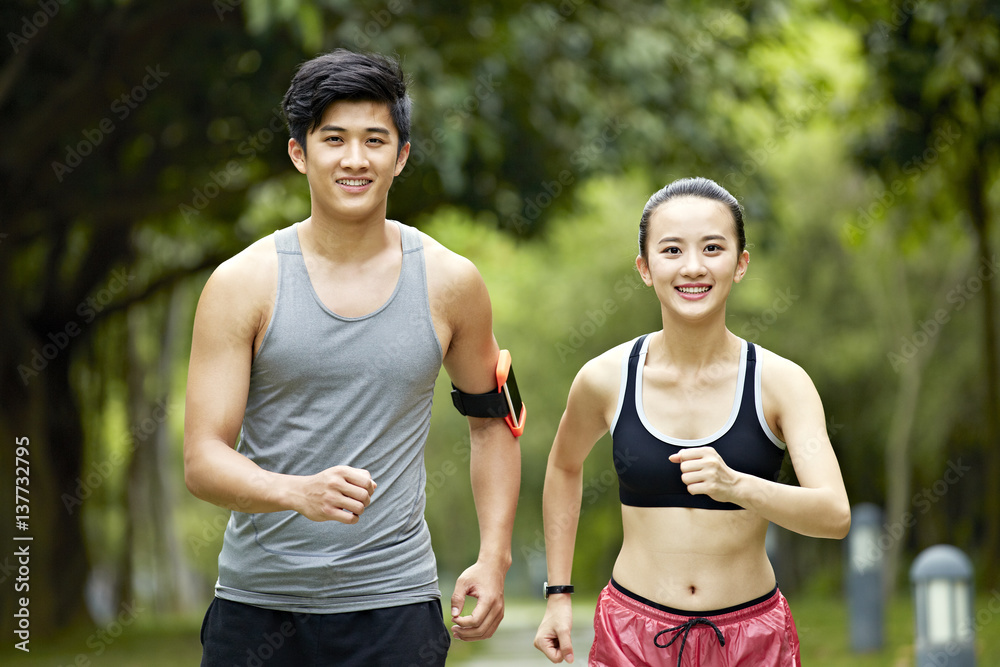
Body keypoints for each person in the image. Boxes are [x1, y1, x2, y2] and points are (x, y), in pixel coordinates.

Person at [183, 49, 521, 666]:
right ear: (298, 153)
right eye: (333, 139)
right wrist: (295, 493)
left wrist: (494, 556)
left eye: (375, 139)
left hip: (393, 610)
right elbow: (203, 459)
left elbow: (493, 422)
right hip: (257, 608)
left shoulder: (452, 282)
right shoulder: (242, 284)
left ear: (403, 155)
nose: (355, 159)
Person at [533, 177, 850, 665]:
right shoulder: (604, 379)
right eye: (672, 250)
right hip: (632, 635)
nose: (693, 267)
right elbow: (563, 467)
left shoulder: (781, 384)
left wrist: (736, 485)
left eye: (713, 248)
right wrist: (558, 594)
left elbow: (834, 515)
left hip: (752, 637)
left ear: (740, 263)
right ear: (644, 268)